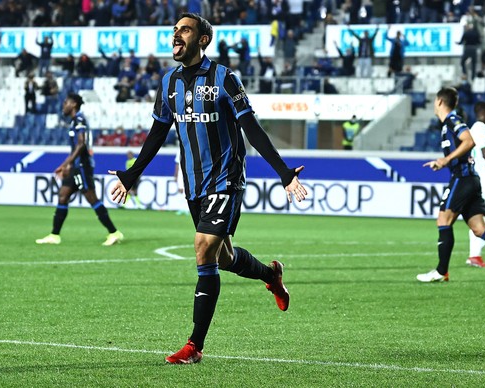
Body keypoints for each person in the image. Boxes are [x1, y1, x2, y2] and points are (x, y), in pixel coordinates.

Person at [108, 13, 307, 364]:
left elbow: (252, 129)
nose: (176, 35)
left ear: (202, 39)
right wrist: (131, 174)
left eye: (184, 30)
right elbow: (157, 134)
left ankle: (194, 346)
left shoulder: (224, 79)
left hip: (226, 178)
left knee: (202, 249)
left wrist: (283, 172)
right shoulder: (168, 82)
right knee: (223, 257)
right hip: (195, 184)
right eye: (174, 31)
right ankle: (270, 275)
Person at [417, 87, 485, 282]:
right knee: (479, 229)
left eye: (434, 101)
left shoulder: (453, 121)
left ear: (439, 101)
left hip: (463, 178)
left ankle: (441, 272)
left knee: (443, 220)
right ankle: (442, 272)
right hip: (471, 179)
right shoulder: (447, 124)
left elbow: (469, 141)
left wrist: (446, 160)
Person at [36, 93, 124, 247]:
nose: (63, 106)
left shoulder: (79, 119)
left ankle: (114, 232)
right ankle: (54, 235)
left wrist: (65, 163)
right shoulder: (74, 121)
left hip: (82, 166)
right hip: (76, 166)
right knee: (63, 196)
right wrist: (70, 165)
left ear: (74, 104)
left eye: (66, 103)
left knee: (92, 198)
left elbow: (81, 144)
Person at [466, 101, 485, 268]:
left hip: (479, 179)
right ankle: (474, 255)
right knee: (481, 218)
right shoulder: (480, 128)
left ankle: (474, 255)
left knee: (479, 217)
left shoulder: (474, 129)